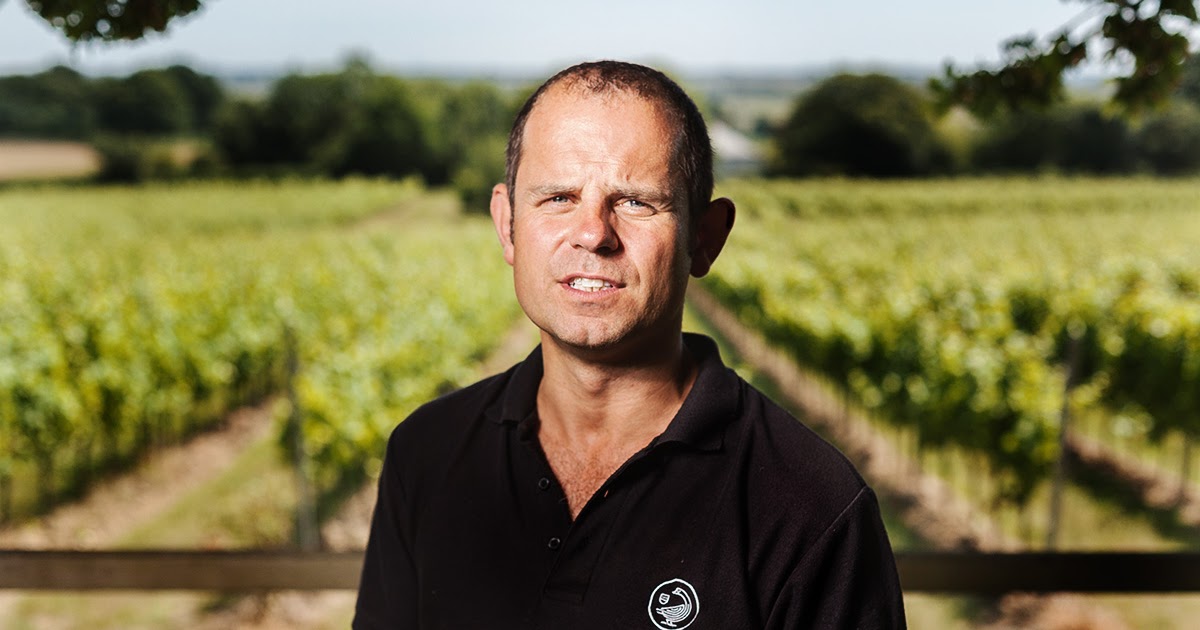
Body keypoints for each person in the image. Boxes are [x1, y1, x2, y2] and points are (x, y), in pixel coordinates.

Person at [354, 60, 906, 629]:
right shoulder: (424, 453)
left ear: (705, 237)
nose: (593, 233)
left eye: (636, 202)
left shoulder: (813, 507)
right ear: (507, 224)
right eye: (558, 197)